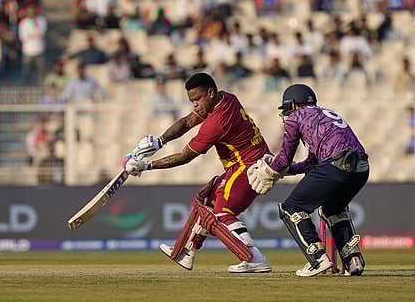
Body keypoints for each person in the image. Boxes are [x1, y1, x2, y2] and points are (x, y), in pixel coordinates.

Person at [124, 73, 273, 273]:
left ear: (210, 93)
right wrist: (159, 141)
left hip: (247, 167)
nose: (194, 105)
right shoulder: (226, 98)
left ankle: (255, 258)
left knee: (222, 214)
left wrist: (147, 166)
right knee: (206, 205)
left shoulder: (216, 123)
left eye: (197, 99)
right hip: (243, 164)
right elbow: (187, 122)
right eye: (191, 100)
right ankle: (187, 252)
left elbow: (185, 156)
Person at [247, 84, 369, 277]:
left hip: (335, 164)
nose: (287, 114)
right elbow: (312, 161)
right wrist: (286, 171)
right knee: (333, 208)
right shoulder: (325, 114)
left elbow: (284, 159)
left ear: (294, 104)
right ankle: (353, 260)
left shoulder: (296, 117)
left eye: (287, 109)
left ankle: (318, 258)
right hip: (361, 167)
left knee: (291, 208)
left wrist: (272, 169)